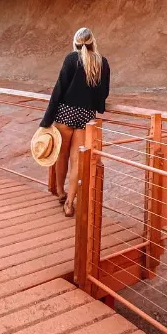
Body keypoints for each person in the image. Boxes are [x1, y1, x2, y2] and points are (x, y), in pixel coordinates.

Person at [40, 27, 111, 216]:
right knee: (77, 160)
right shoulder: (102, 62)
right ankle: (70, 203)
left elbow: (59, 89)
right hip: (85, 116)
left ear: (76, 42)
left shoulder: (71, 59)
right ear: (92, 42)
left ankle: (60, 191)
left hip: (65, 113)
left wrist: (46, 120)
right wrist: (96, 106)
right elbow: (103, 94)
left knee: (60, 155)